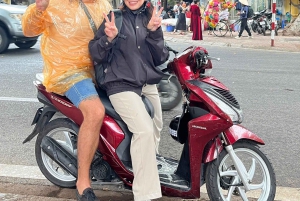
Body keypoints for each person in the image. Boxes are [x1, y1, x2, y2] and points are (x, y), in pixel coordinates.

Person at [22, 0, 112, 200]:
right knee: (95, 111)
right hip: (68, 72)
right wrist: (39, 9)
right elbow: (28, 30)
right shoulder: (53, 3)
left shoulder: (103, 5)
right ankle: (83, 182)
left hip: (98, 71)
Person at [88, 0, 169, 200]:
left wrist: (154, 32)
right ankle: (144, 193)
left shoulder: (150, 18)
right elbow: (95, 53)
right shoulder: (115, 17)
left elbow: (160, 58)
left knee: (157, 124)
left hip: (145, 82)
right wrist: (109, 38)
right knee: (144, 130)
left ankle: (144, 168)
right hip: (120, 83)